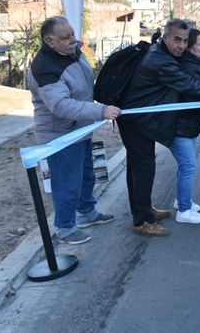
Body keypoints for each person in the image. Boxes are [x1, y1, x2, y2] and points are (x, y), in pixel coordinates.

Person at [118, 19, 200, 236]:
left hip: (141, 118)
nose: (182, 46)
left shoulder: (163, 53)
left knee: (139, 168)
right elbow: (191, 86)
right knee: (143, 169)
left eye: (185, 41)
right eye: (177, 40)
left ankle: (144, 210)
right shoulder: (161, 61)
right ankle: (142, 221)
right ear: (165, 37)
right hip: (135, 120)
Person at [29, 16, 121, 245]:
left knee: (86, 175)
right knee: (66, 183)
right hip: (60, 135)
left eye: (72, 34)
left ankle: (87, 213)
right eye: (66, 37)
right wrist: (100, 111)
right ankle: (65, 228)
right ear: (49, 41)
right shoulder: (45, 68)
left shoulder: (71, 51)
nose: (73, 40)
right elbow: (59, 105)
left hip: (80, 128)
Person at [170, 28, 200, 221]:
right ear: (189, 47)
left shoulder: (195, 64)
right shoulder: (189, 68)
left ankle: (181, 200)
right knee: (188, 166)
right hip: (181, 126)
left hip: (188, 126)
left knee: (185, 165)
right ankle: (184, 212)